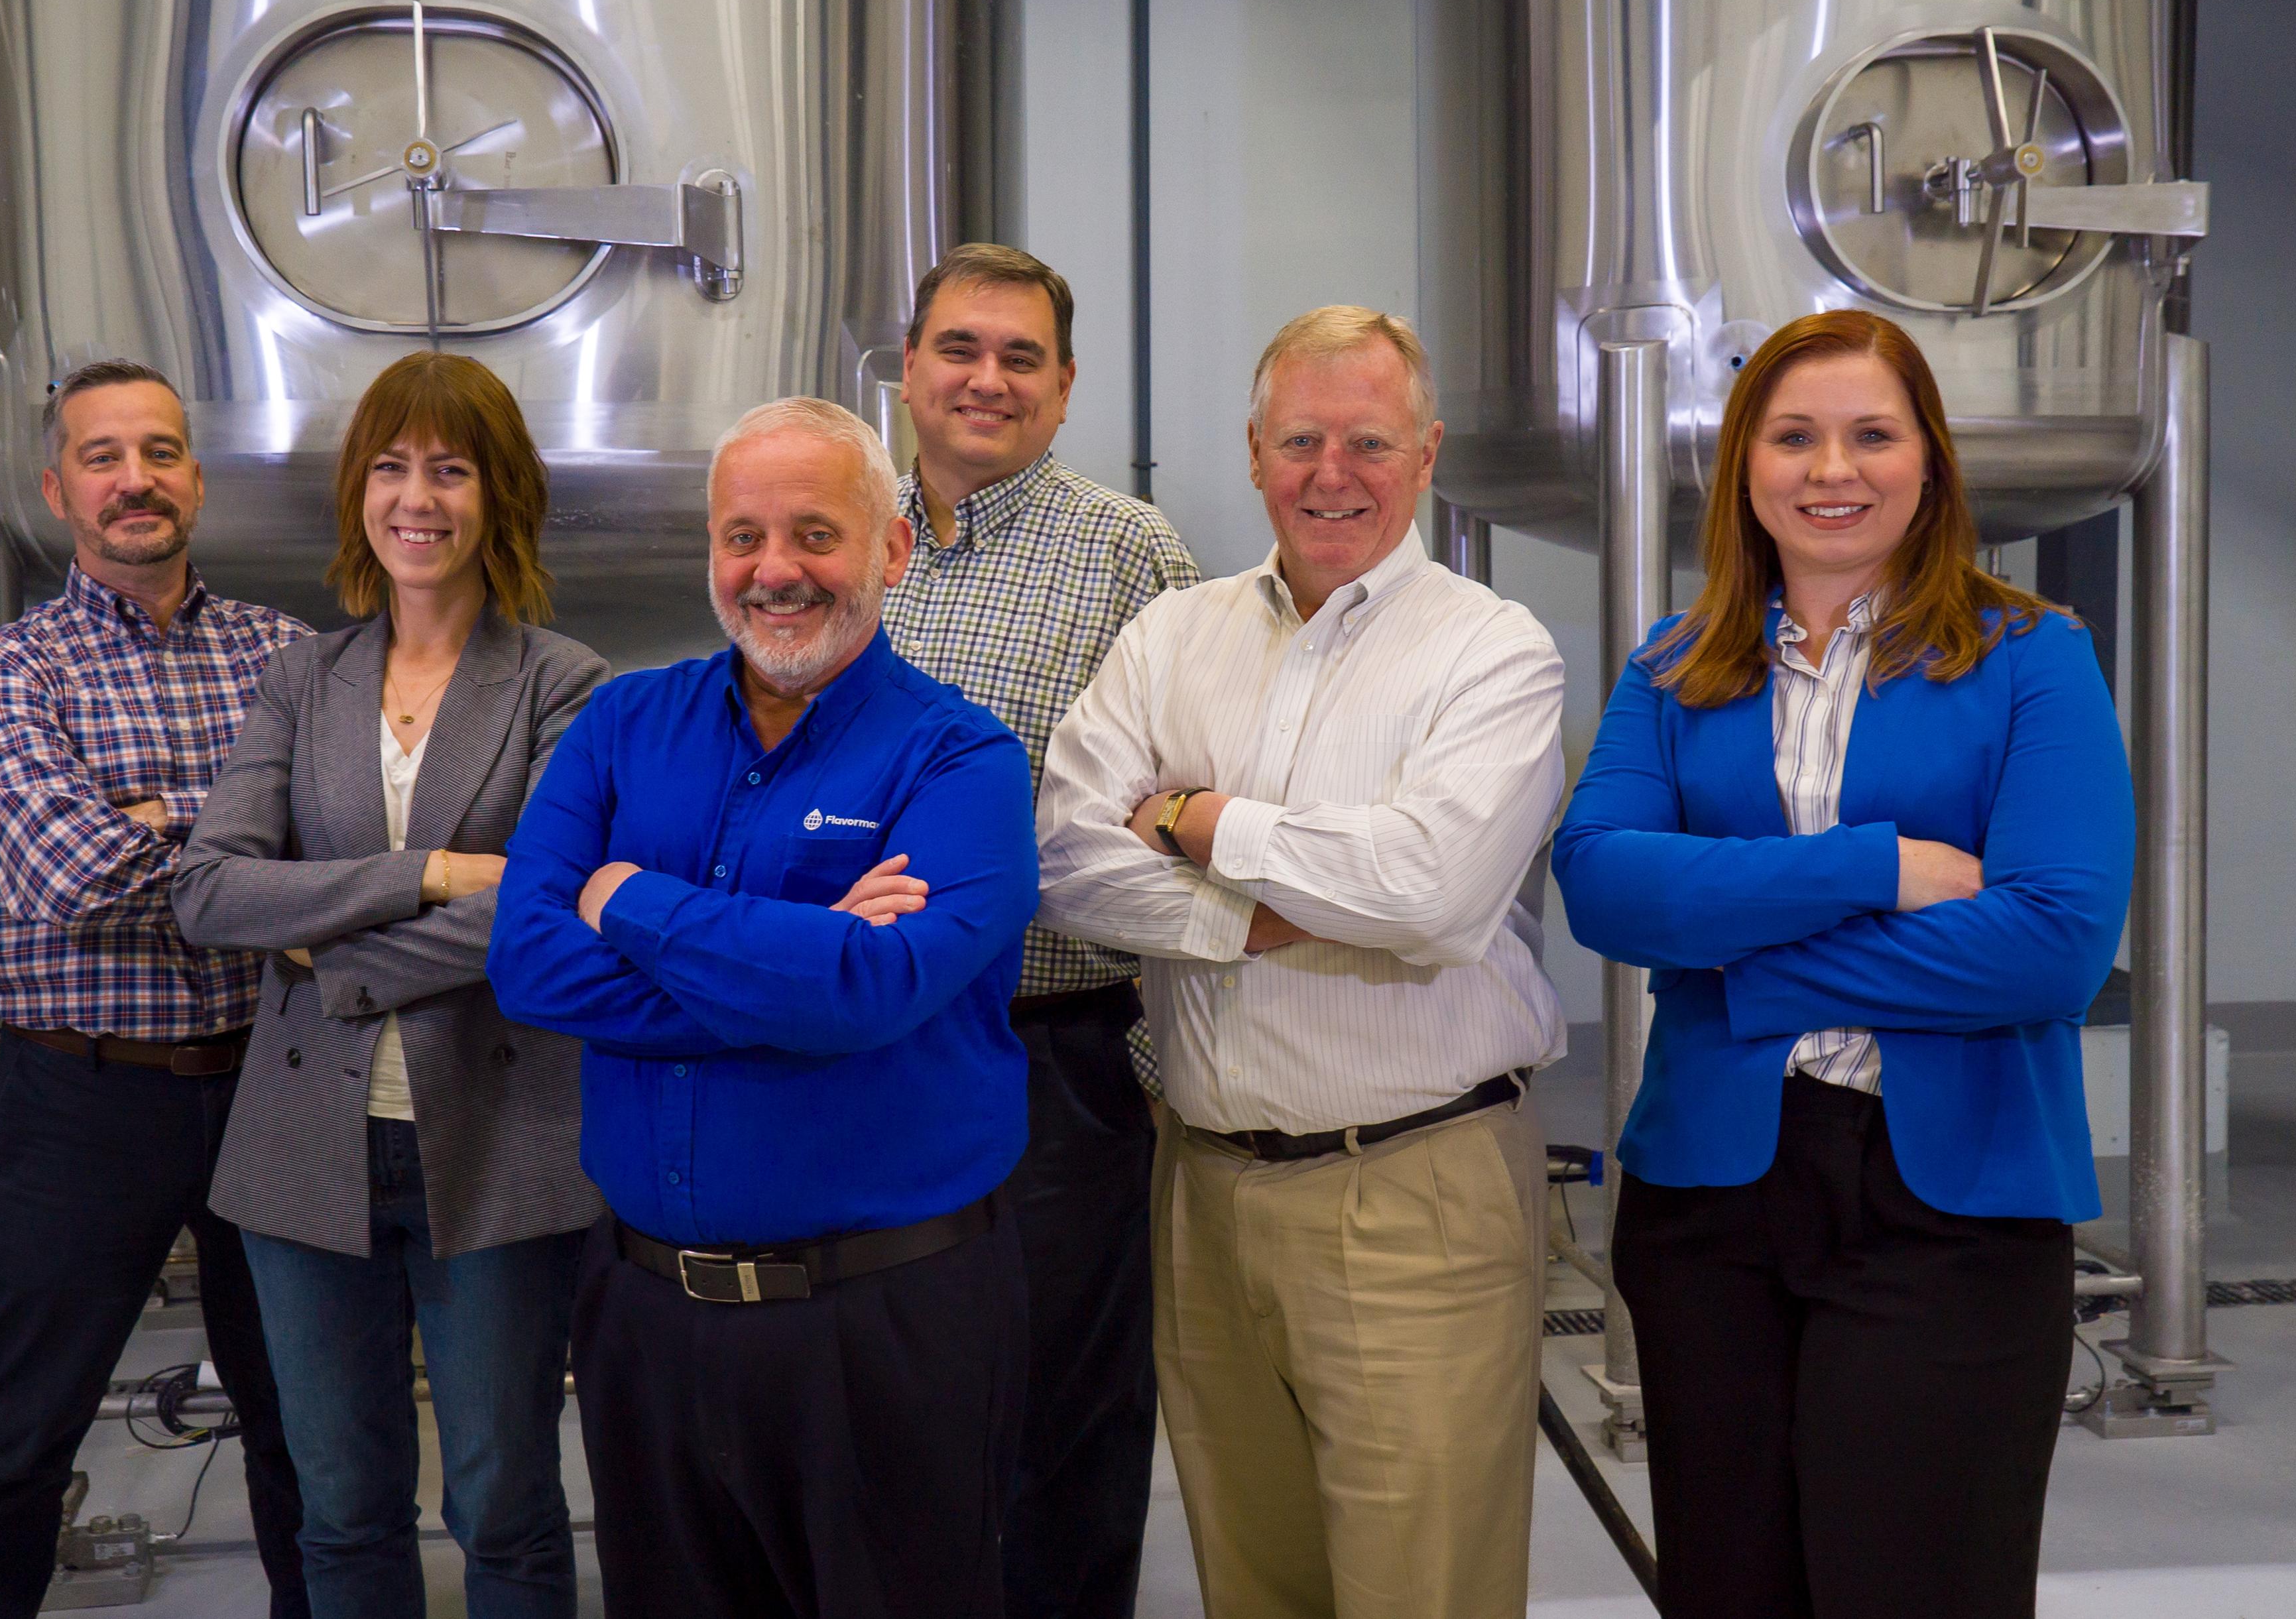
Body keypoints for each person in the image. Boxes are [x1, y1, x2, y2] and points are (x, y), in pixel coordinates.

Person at [1551, 308, 2134, 1619]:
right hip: (1712, 1209)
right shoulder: (1673, 666)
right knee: (1733, 1588)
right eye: (1796, 435)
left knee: (1918, 1587)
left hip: (1953, 1211)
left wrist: (1749, 967)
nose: (1833, 468)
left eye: (1873, 434)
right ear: (1745, 464)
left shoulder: (2035, 658)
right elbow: (1602, 881)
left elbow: (2052, 944)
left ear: (1929, 460)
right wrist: (1873, 867)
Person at [1034, 306, 1569, 1619]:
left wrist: (1200, 821)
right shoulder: (1176, 635)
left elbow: (1430, 889)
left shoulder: (1493, 650)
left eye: (1371, 440)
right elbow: (1062, 852)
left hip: (1413, 1192)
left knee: (1418, 1589)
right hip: (1204, 1191)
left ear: (1428, 449)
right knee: (1252, 1584)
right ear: (1257, 450)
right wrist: (1250, 912)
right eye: (1303, 439)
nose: (1335, 471)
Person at [487, 396, 1040, 1618]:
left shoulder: (965, 761)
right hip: (645, 1319)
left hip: (884, 1321)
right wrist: (806, 963)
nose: (775, 571)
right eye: (743, 536)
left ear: (891, 550)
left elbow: (877, 985)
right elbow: (526, 961)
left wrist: (629, 901)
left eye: (814, 534)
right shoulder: (626, 722)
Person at [171, 353, 609, 1619]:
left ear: (499, 495)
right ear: (360, 492)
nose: (419, 497)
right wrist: (425, 873)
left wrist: (329, 949)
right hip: (305, 1152)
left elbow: (542, 912)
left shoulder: (561, 681)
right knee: (343, 1514)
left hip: (502, 1144)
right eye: (393, 466)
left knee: (505, 1507)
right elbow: (209, 892)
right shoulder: (304, 677)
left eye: (453, 468)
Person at [0, 360, 309, 1619]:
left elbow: (350, 835)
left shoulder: (292, 655)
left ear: (196, 478)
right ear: (59, 489)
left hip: (273, 1085)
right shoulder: (6, 674)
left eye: (159, 452)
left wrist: (161, 818)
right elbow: (73, 875)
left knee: (304, 1431)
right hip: (80, 1101)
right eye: (103, 457)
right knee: (17, 1443)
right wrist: (251, 834)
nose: (134, 479)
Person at [882, 242, 1199, 1618]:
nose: (987, 379)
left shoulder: (1134, 556)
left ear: (1065, 389)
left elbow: (1176, 812)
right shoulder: (846, 538)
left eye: (1022, 357)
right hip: (855, 1050)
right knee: (888, 1415)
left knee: (1061, 1429)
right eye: (961, 348)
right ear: (909, 368)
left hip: (1048, 1059)